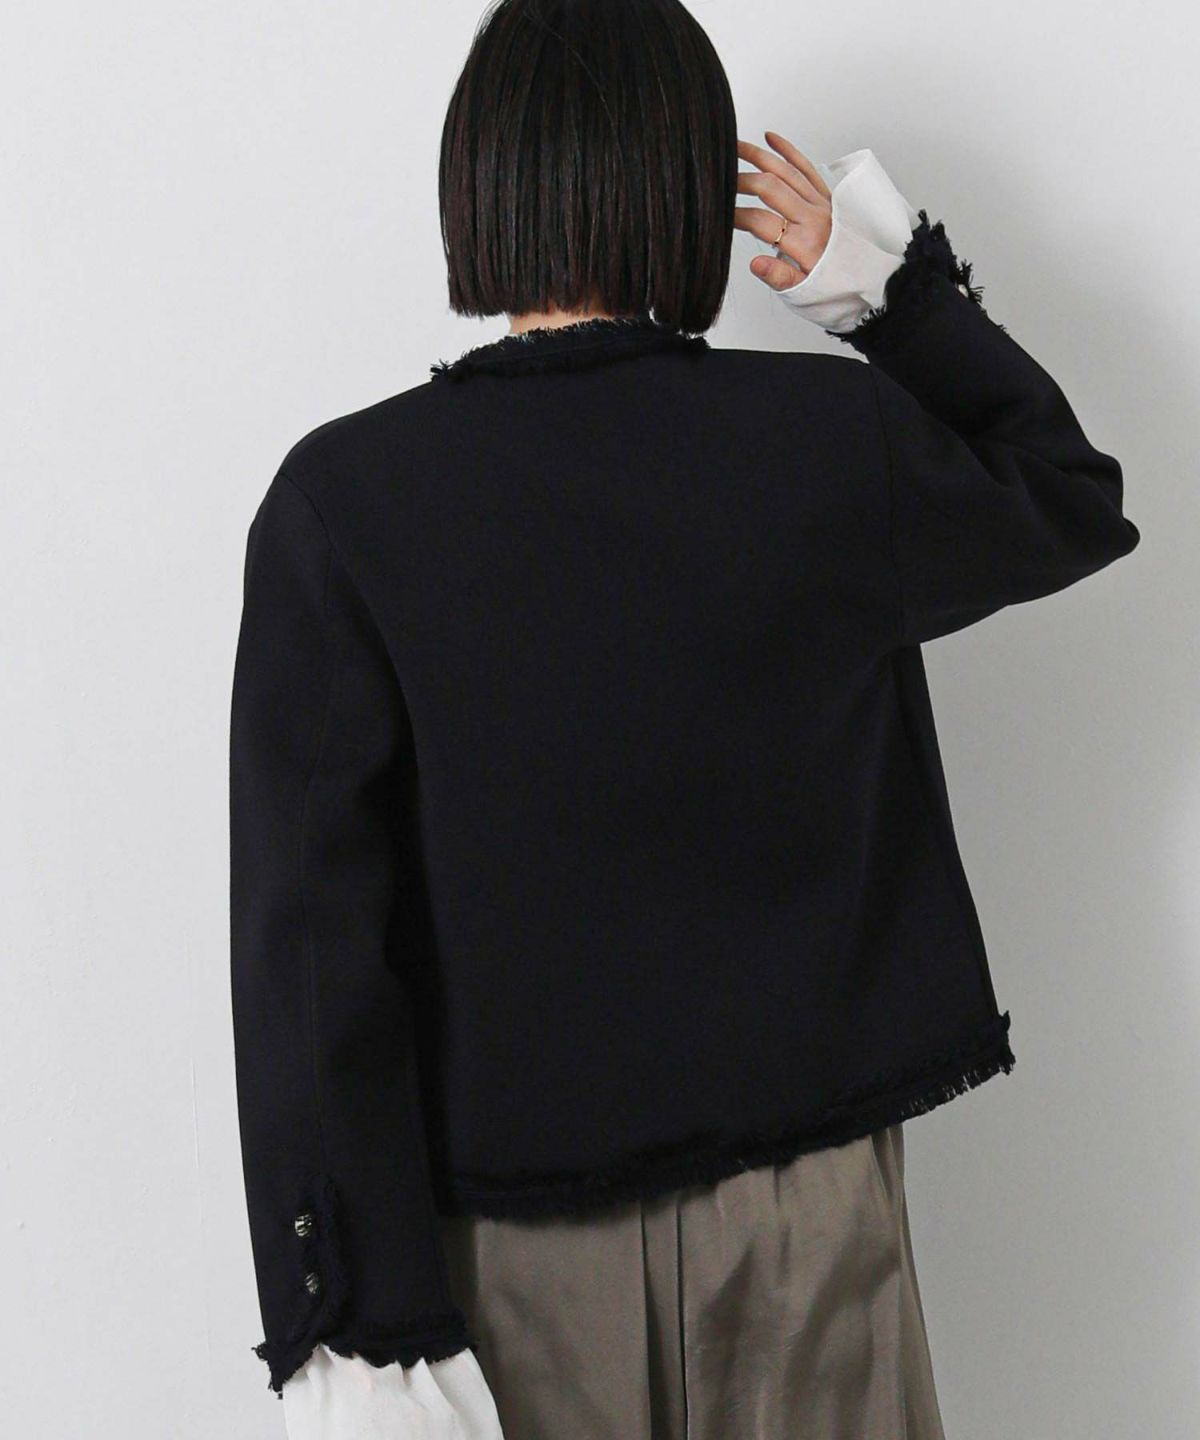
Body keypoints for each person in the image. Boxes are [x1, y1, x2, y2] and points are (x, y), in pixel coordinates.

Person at [227, 1, 1141, 1436]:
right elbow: (1065, 492)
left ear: (480, 186)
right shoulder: (823, 444)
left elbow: (312, 948)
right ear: (688, 191)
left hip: (507, 1256)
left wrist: (351, 1314)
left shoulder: (347, 503)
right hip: (807, 1220)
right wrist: (884, 292)